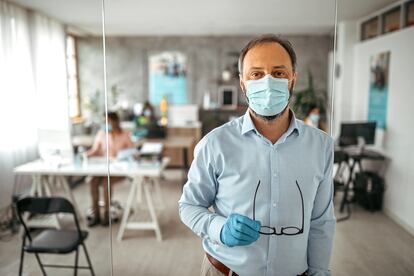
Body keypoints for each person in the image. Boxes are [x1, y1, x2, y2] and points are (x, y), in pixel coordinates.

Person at [179, 34, 335, 276]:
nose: (268, 82)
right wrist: (218, 227)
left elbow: (321, 221)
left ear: (294, 78)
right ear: (242, 83)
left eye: (279, 73)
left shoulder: (320, 145)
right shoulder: (215, 144)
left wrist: (320, 270)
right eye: (256, 74)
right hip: (224, 270)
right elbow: (189, 205)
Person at [86, 111, 133, 227]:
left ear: (115, 122)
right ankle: (96, 214)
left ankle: (107, 215)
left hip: (119, 169)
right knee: (92, 182)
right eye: (103, 122)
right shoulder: (101, 134)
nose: (105, 124)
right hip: (104, 167)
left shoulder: (124, 134)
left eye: (107, 121)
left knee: (105, 183)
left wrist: (123, 156)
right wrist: (86, 154)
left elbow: (132, 151)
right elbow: (95, 150)